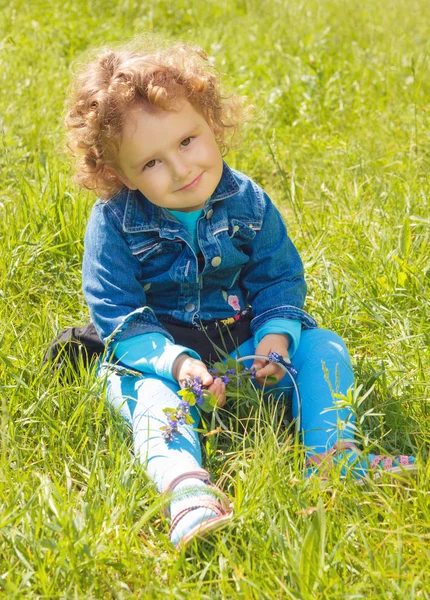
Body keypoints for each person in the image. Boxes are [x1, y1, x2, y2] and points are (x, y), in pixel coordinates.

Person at [63, 41, 417, 548]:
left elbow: (278, 276)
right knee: (145, 400)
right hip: (163, 357)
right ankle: (186, 491)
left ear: (212, 122)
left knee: (323, 347)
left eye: (187, 141)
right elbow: (118, 313)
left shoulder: (247, 200)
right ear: (119, 174)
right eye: (151, 164)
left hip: (244, 349)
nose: (181, 169)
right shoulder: (115, 223)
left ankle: (334, 457)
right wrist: (178, 365)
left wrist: (276, 337)